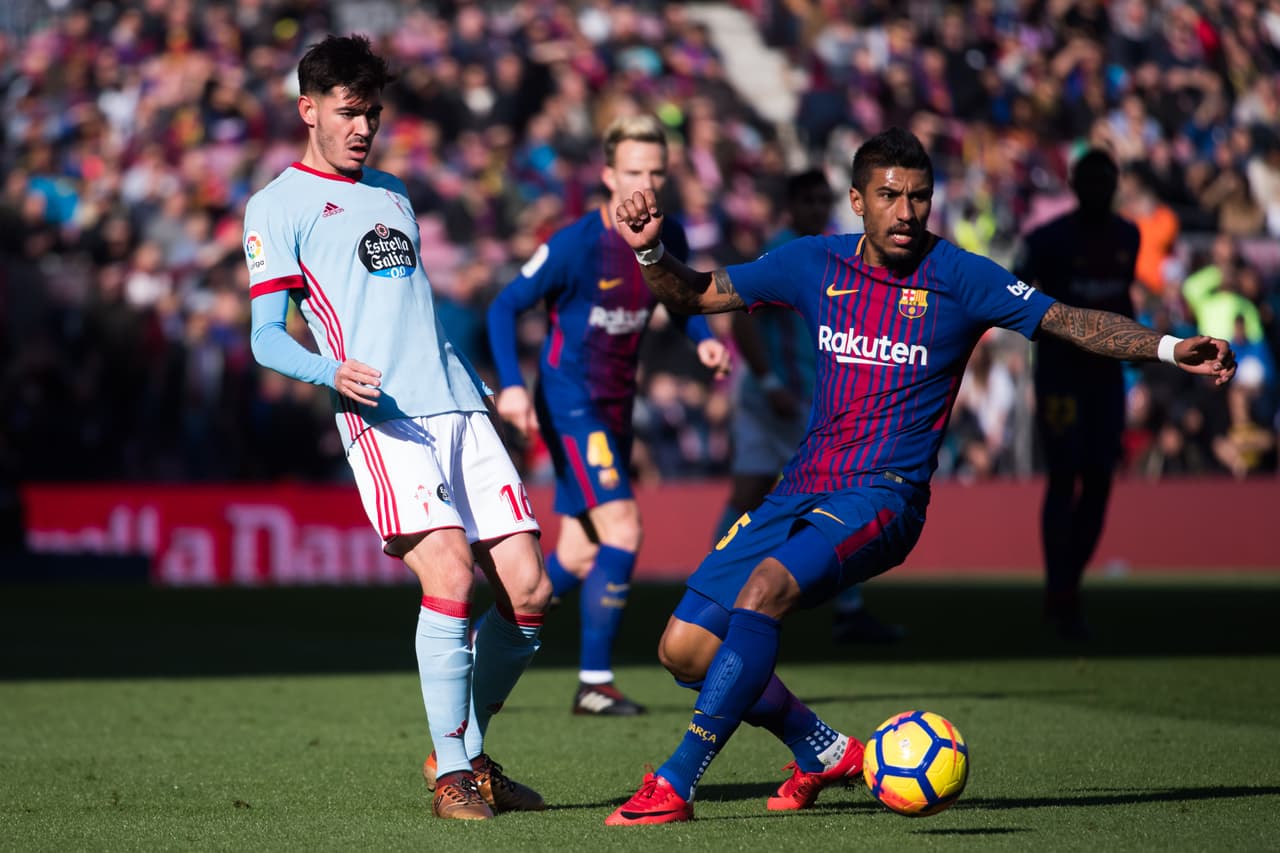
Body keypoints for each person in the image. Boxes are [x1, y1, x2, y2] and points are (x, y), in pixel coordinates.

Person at [604, 127, 1236, 825]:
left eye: (919, 196)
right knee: (685, 649)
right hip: (800, 487)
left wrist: (1172, 345)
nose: (906, 212)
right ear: (857, 201)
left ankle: (675, 781)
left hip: (885, 495)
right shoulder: (812, 263)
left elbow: (1067, 320)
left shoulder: (962, 277)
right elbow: (695, 296)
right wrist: (650, 250)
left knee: (764, 593)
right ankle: (822, 748)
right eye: (888, 196)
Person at [243, 35, 551, 822]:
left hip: (461, 406)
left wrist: (485, 393)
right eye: (349, 112)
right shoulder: (276, 206)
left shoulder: (393, 193)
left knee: (530, 594)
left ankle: (464, 747)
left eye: (372, 114)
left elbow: (414, 313)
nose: (362, 128)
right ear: (308, 109)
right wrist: (328, 372)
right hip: (383, 418)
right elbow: (266, 336)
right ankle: (455, 772)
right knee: (450, 574)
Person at [487, 114, 730, 716]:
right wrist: (512, 388)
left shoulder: (664, 233)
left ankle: (484, 637)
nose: (644, 183)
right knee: (624, 528)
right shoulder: (574, 245)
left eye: (655, 172)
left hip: (616, 405)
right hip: (571, 401)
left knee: (575, 555)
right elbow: (502, 307)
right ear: (606, 175)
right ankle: (595, 683)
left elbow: (681, 292)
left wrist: (699, 333)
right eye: (632, 172)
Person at [712, 168, 903, 643]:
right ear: (792, 206)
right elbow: (741, 320)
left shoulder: (832, 253)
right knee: (835, 494)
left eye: (824, 200)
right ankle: (718, 586)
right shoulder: (785, 251)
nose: (819, 209)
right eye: (810, 201)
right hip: (776, 399)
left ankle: (715, 586)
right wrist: (770, 380)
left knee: (755, 492)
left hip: (808, 399)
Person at [1013, 148, 1140, 639]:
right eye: (1091, 179)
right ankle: (1058, 589)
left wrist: (1135, 349)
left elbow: (1123, 297)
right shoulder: (1046, 240)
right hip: (1060, 376)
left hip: (1106, 376)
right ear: (1074, 183)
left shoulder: (1129, 235)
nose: (1099, 188)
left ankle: (1069, 584)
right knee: (1065, 478)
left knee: (1101, 479)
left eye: (1107, 179)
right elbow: (1013, 293)